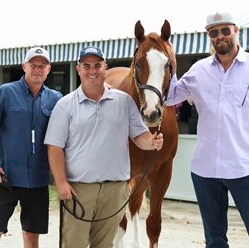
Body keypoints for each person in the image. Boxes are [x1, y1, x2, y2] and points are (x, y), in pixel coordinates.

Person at [166, 12, 249, 248]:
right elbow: (170, 97)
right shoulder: (199, 70)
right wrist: (172, 65)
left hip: (246, 168)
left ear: (236, 31)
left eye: (225, 30)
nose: (220, 36)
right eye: (214, 32)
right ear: (209, 36)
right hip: (205, 169)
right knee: (214, 240)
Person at [44, 46, 164, 248]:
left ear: (105, 67)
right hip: (78, 190)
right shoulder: (65, 105)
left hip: (115, 190)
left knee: (105, 245)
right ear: (78, 69)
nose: (93, 70)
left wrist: (150, 142)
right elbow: (54, 148)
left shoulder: (124, 102)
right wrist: (61, 183)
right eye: (87, 65)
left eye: (98, 65)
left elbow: (139, 135)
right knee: (74, 245)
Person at [0, 47, 62, 248]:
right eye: (33, 65)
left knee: (32, 239)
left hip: (38, 181)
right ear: (24, 66)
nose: (37, 69)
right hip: (5, 179)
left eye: (42, 66)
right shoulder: (4, 93)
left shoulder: (56, 99)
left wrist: (105, 88)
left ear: (49, 69)